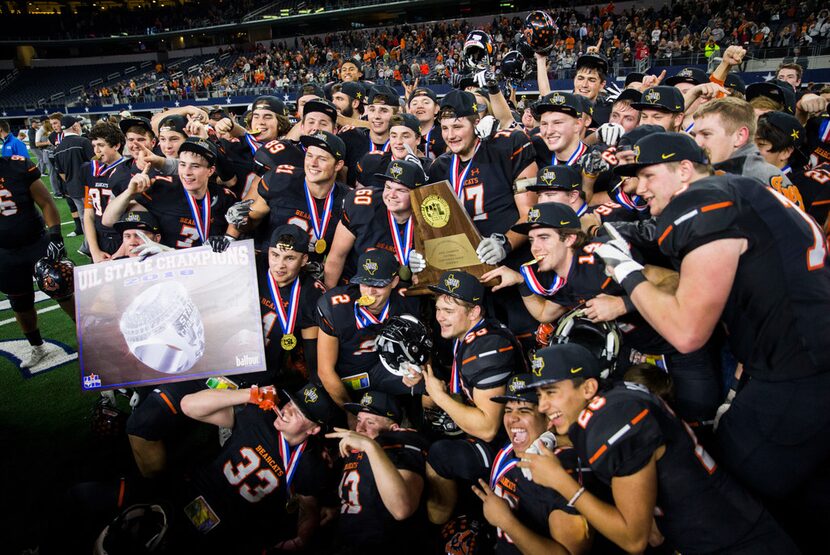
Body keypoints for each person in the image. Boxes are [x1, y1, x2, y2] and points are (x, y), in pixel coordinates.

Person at [607, 131, 830, 549]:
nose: (640, 187)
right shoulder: (739, 187)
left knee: (725, 490)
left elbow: (687, 332)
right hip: (803, 363)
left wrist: (624, 270)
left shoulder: (706, 197)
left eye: (649, 176)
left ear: (685, 170)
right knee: (808, 496)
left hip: (795, 375)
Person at [519, 343, 799, 554]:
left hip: (733, 539)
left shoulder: (614, 420)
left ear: (588, 387)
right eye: (540, 395)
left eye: (552, 391)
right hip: (708, 530)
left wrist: (561, 482)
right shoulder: (605, 405)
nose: (542, 406)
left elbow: (635, 540)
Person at [409, 270, 524, 525]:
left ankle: (438, 529)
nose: (440, 317)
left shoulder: (487, 348)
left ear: (474, 312)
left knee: (440, 453)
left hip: (513, 445)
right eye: (438, 309)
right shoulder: (471, 334)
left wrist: (440, 397)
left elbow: (487, 429)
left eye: (449, 311)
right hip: (504, 429)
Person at [471, 374, 592, 554]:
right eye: (508, 410)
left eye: (524, 410)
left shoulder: (561, 472)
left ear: (549, 419)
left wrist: (507, 522)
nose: (512, 419)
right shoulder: (511, 447)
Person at [326, 391, 430, 554]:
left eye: (370, 422)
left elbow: (401, 509)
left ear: (393, 428)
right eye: (359, 420)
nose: (359, 428)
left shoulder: (401, 441)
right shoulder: (357, 448)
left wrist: (370, 446)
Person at [315, 249, 421, 407]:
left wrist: (416, 372)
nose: (370, 292)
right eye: (365, 283)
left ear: (394, 282)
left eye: (379, 285)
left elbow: (421, 349)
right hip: (347, 375)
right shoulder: (335, 307)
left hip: (388, 370)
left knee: (426, 389)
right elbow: (325, 370)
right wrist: (350, 413)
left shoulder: (408, 300)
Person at [0, 153, 75, 368]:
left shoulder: (18, 166)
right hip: (4, 252)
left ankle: (90, 337)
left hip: (35, 243)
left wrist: (56, 236)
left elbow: (47, 202)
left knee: (63, 290)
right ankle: (37, 347)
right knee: (19, 302)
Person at [223, 131, 348, 260]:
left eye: (322, 158)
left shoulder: (348, 200)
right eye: (309, 155)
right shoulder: (281, 180)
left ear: (338, 165)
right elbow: (251, 222)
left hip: (310, 272)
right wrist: (239, 220)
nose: (313, 163)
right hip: (270, 264)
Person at [102, 136, 236, 250]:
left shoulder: (225, 197)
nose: (187, 172)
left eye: (195, 166)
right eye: (183, 164)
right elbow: (108, 220)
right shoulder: (163, 188)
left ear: (210, 171)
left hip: (211, 270)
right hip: (171, 270)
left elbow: (236, 232)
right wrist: (129, 193)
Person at [325, 159, 426, 288]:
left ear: (417, 194)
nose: (391, 195)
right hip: (358, 286)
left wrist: (423, 270)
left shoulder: (431, 217)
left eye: (401, 190)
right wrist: (329, 293)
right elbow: (337, 256)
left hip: (403, 292)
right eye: (388, 187)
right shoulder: (362, 207)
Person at [255, 224, 325, 388]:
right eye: (275, 255)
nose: (280, 265)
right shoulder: (253, 266)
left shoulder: (312, 294)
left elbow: (312, 355)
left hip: (275, 375)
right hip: (238, 359)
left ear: (304, 260)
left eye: (290, 258)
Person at [693, 97, 798, 200]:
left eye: (706, 134)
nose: (696, 143)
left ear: (740, 136)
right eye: (694, 135)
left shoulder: (754, 180)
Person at [83, 123, 131, 262]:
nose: (96, 150)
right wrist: (94, 250)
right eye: (94, 146)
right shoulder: (89, 171)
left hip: (122, 238)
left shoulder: (128, 171)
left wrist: (122, 250)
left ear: (116, 145)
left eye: (101, 145)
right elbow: (88, 212)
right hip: (99, 238)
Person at [340, 85, 400, 187]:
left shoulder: (401, 145)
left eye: (384, 111)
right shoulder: (349, 138)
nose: (376, 116)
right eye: (372, 110)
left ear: (396, 115)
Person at [54, 115, 94, 253]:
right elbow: (95, 164)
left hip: (72, 187)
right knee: (94, 218)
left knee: (84, 218)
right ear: (76, 126)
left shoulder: (57, 149)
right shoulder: (83, 141)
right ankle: (90, 246)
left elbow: (61, 173)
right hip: (88, 187)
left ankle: (87, 245)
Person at [407, 86, 447, 159]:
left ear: (436, 108)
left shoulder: (446, 134)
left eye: (426, 102)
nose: (420, 106)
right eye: (415, 104)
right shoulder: (403, 135)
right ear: (409, 110)